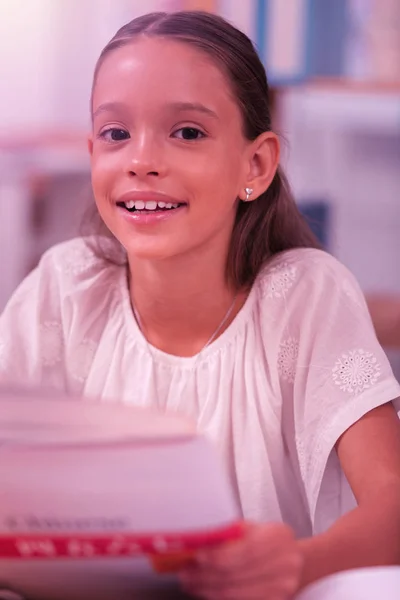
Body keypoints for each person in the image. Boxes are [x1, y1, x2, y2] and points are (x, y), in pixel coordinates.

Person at [1, 10, 400, 600]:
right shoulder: (63, 286)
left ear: (256, 164)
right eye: (115, 134)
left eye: (186, 132)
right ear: (92, 155)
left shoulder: (305, 297)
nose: (141, 160)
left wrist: (298, 562)